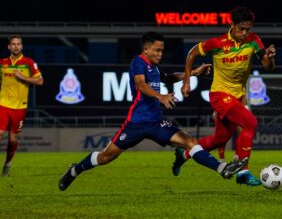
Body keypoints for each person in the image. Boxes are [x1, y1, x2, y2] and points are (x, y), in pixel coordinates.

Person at [59, 32, 248, 191]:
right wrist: (160, 97)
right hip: (136, 124)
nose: (160, 53)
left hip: (157, 123)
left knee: (190, 141)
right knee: (105, 157)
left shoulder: (154, 67)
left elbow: (169, 77)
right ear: (146, 49)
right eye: (157, 50)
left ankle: (222, 168)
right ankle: (75, 170)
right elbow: (140, 85)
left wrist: (194, 72)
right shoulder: (138, 63)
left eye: (162, 50)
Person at [172, 6, 276, 186]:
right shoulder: (217, 43)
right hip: (220, 95)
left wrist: (270, 56)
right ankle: (243, 172)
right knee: (251, 123)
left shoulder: (253, 41)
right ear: (232, 24)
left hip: (238, 98)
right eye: (241, 29)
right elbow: (192, 54)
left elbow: (268, 66)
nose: (244, 33)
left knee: (218, 140)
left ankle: (185, 153)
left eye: (248, 29)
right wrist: (186, 81)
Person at [0, 35, 44, 177]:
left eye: (18, 44)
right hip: (3, 105)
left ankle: (7, 164)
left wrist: (23, 77)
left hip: (19, 107)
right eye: (13, 44)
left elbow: (40, 81)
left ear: (22, 46)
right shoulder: (2, 63)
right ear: (9, 46)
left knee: (12, 140)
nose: (16, 46)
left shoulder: (29, 63)